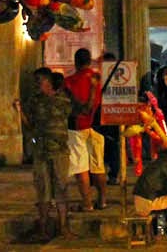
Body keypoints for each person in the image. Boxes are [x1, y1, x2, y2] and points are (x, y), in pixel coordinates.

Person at [19, 69, 73, 240]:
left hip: (59, 152)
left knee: (61, 189)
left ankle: (63, 227)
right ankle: (43, 228)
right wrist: (19, 112)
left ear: (48, 82)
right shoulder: (35, 101)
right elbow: (30, 125)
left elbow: (76, 111)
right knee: (43, 191)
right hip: (41, 152)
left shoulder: (63, 99)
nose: (37, 84)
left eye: (40, 81)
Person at [64, 48, 105, 211]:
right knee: (98, 166)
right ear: (89, 60)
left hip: (77, 127)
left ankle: (87, 203)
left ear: (75, 61)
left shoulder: (69, 81)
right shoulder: (97, 79)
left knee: (81, 168)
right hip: (96, 126)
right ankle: (102, 200)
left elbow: (71, 104)